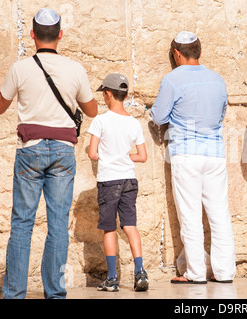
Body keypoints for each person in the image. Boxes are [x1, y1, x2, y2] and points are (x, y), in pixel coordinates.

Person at [0, 8, 98, 299]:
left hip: (30, 149)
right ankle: (55, 292)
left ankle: (14, 293)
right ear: (60, 35)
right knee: (58, 224)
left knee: (22, 223)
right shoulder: (75, 69)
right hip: (63, 150)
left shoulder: (20, 68)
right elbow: (92, 110)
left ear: (32, 35)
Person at [151, 31, 236, 284]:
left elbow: (158, 117)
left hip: (186, 154)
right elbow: (221, 114)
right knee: (220, 215)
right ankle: (225, 272)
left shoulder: (172, 79)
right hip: (215, 155)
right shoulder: (217, 80)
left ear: (177, 54)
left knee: (190, 216)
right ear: (199, 51)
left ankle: (196, 273)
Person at [87, 73, 149, 291]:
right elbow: (142, 156)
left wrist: (99, 154)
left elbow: (92, 153)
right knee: (130, 225)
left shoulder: (100, 120)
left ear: (108, 94)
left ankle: (112, 279)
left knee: (109, 229)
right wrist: (125, 157)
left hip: (109, 181)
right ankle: (140, 272)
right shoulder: (133, 123)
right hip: (129, 180)